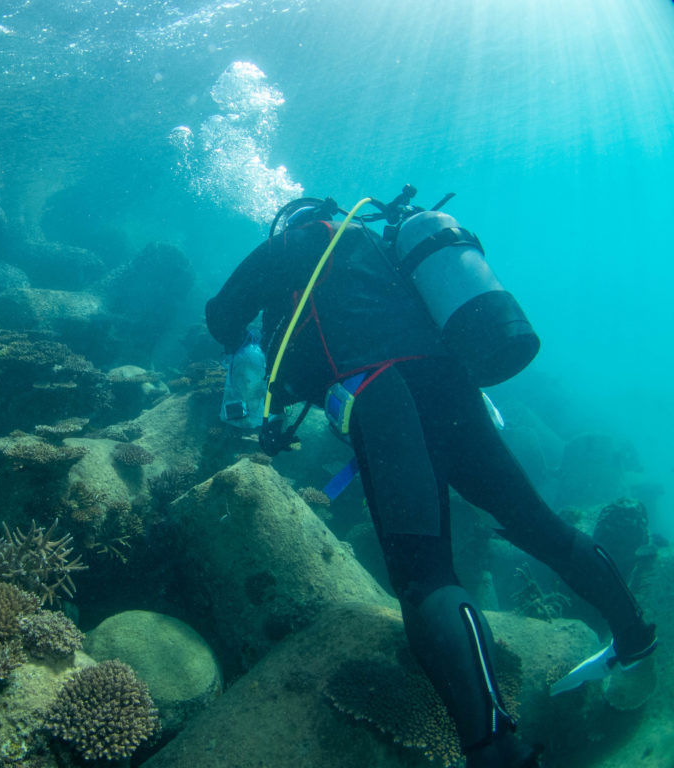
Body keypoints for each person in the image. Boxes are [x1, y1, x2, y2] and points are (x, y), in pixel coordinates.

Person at [204, 191, 657, 768]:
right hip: (455, 392)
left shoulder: (298, 242)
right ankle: (637, 645)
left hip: (384, 397)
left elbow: (223, 313)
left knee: (425, 578)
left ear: (290, 220)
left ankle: (496, 748)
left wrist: (239, 346)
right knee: (537, 524)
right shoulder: (385, 249)